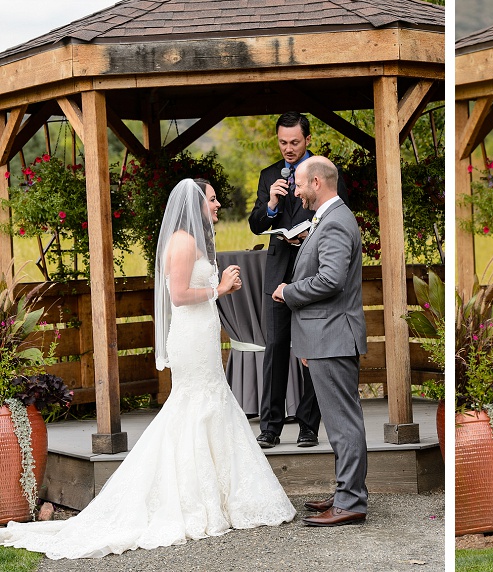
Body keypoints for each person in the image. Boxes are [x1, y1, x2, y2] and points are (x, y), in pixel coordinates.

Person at [0, 179, 295, 559]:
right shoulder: (185, 241)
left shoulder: (194, 239)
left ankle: (219, 496)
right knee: (194, 406)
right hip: (190, 337)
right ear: (195, 204)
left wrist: (220, 290)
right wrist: (220, 289)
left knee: (209, 404)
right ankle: (190, 498)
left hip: (200, 334)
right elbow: (179, 296)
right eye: (212, 199)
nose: (218, 204)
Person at [273, 156, 368, 527]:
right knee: (341, 421)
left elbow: (331, 280)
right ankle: (348, 492)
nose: (295, 191)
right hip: (324, 336)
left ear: (316, 182)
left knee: (343, 423)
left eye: (298, 184)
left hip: (332, 335)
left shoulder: (335, 223)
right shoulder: (329, 219)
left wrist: (289, 291)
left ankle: (351, 501)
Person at [249, 111, 346, 449]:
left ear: (307, 140)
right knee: (275, 348)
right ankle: (270, 427)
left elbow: (334, 213)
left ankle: (308, 426)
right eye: (282, 142)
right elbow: (256, 224)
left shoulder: (325, 173)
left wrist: (310, 238)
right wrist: (272, 204)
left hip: (313, 272)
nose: (287, 149)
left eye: (294, 142)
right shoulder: (268, 175)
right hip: (278, 271)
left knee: (311, 348)